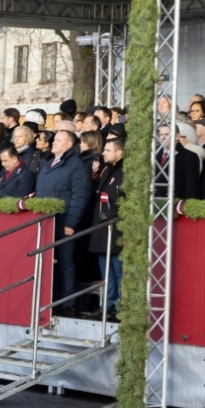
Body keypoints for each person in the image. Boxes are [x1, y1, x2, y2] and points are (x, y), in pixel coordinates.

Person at [36, 129, 93, 310]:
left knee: (65, 262)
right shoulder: (48, 163)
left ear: (69, 145)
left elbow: (80, 196)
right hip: (46, 223)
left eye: (59, 140)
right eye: (55, 140)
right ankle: (50, 300)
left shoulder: (76, 166)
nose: (54, 142)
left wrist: (71, 223)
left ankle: (67, 303)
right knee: (48, 264)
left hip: (63, 223)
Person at [91, 137, 125, 319]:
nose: (103, 153)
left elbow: (128, 201)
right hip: (103, 229)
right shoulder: (107, 171)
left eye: (107, 150)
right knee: (107, 272)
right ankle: (108, 305)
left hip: (117, 228)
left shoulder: (126, 172)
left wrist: (111, 215)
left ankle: (120, 306)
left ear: (119, 152)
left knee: (118, 271)